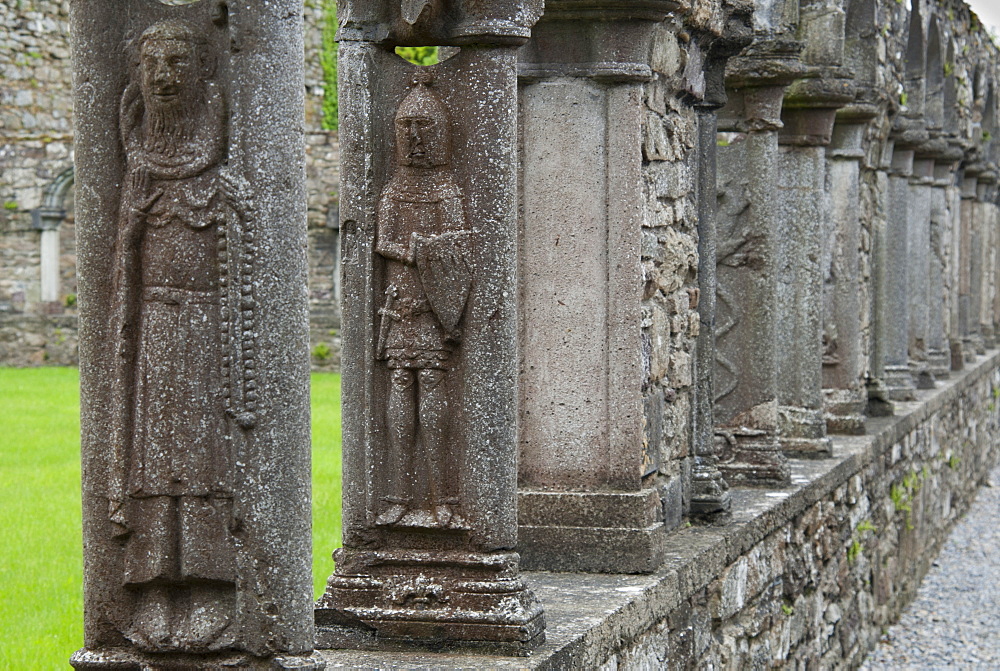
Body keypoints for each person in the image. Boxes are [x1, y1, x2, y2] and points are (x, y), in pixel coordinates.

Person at [108, 19, 247, 652]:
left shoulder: (219, 172)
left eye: (178, 63)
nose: (164, 74)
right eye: (152, 64)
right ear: (137, 78)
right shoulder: (138, 174)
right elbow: (120, 275)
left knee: (203, 460)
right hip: (158, 332)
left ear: (202, 76)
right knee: (154, 461)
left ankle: (210, 581)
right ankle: (155, 584)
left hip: (205, 332)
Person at [374, 73, 472, 530]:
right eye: (407, 129)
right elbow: (384, 241)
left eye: (424, 129)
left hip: (434, 308)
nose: (414, 139)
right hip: (400, 305)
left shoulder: (448, 191)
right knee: (398, 395)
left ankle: (442, 498)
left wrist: (426, 253)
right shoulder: (393, 191)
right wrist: (417, 250)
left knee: (433, 396)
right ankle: (396, 495)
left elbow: (456, 250)